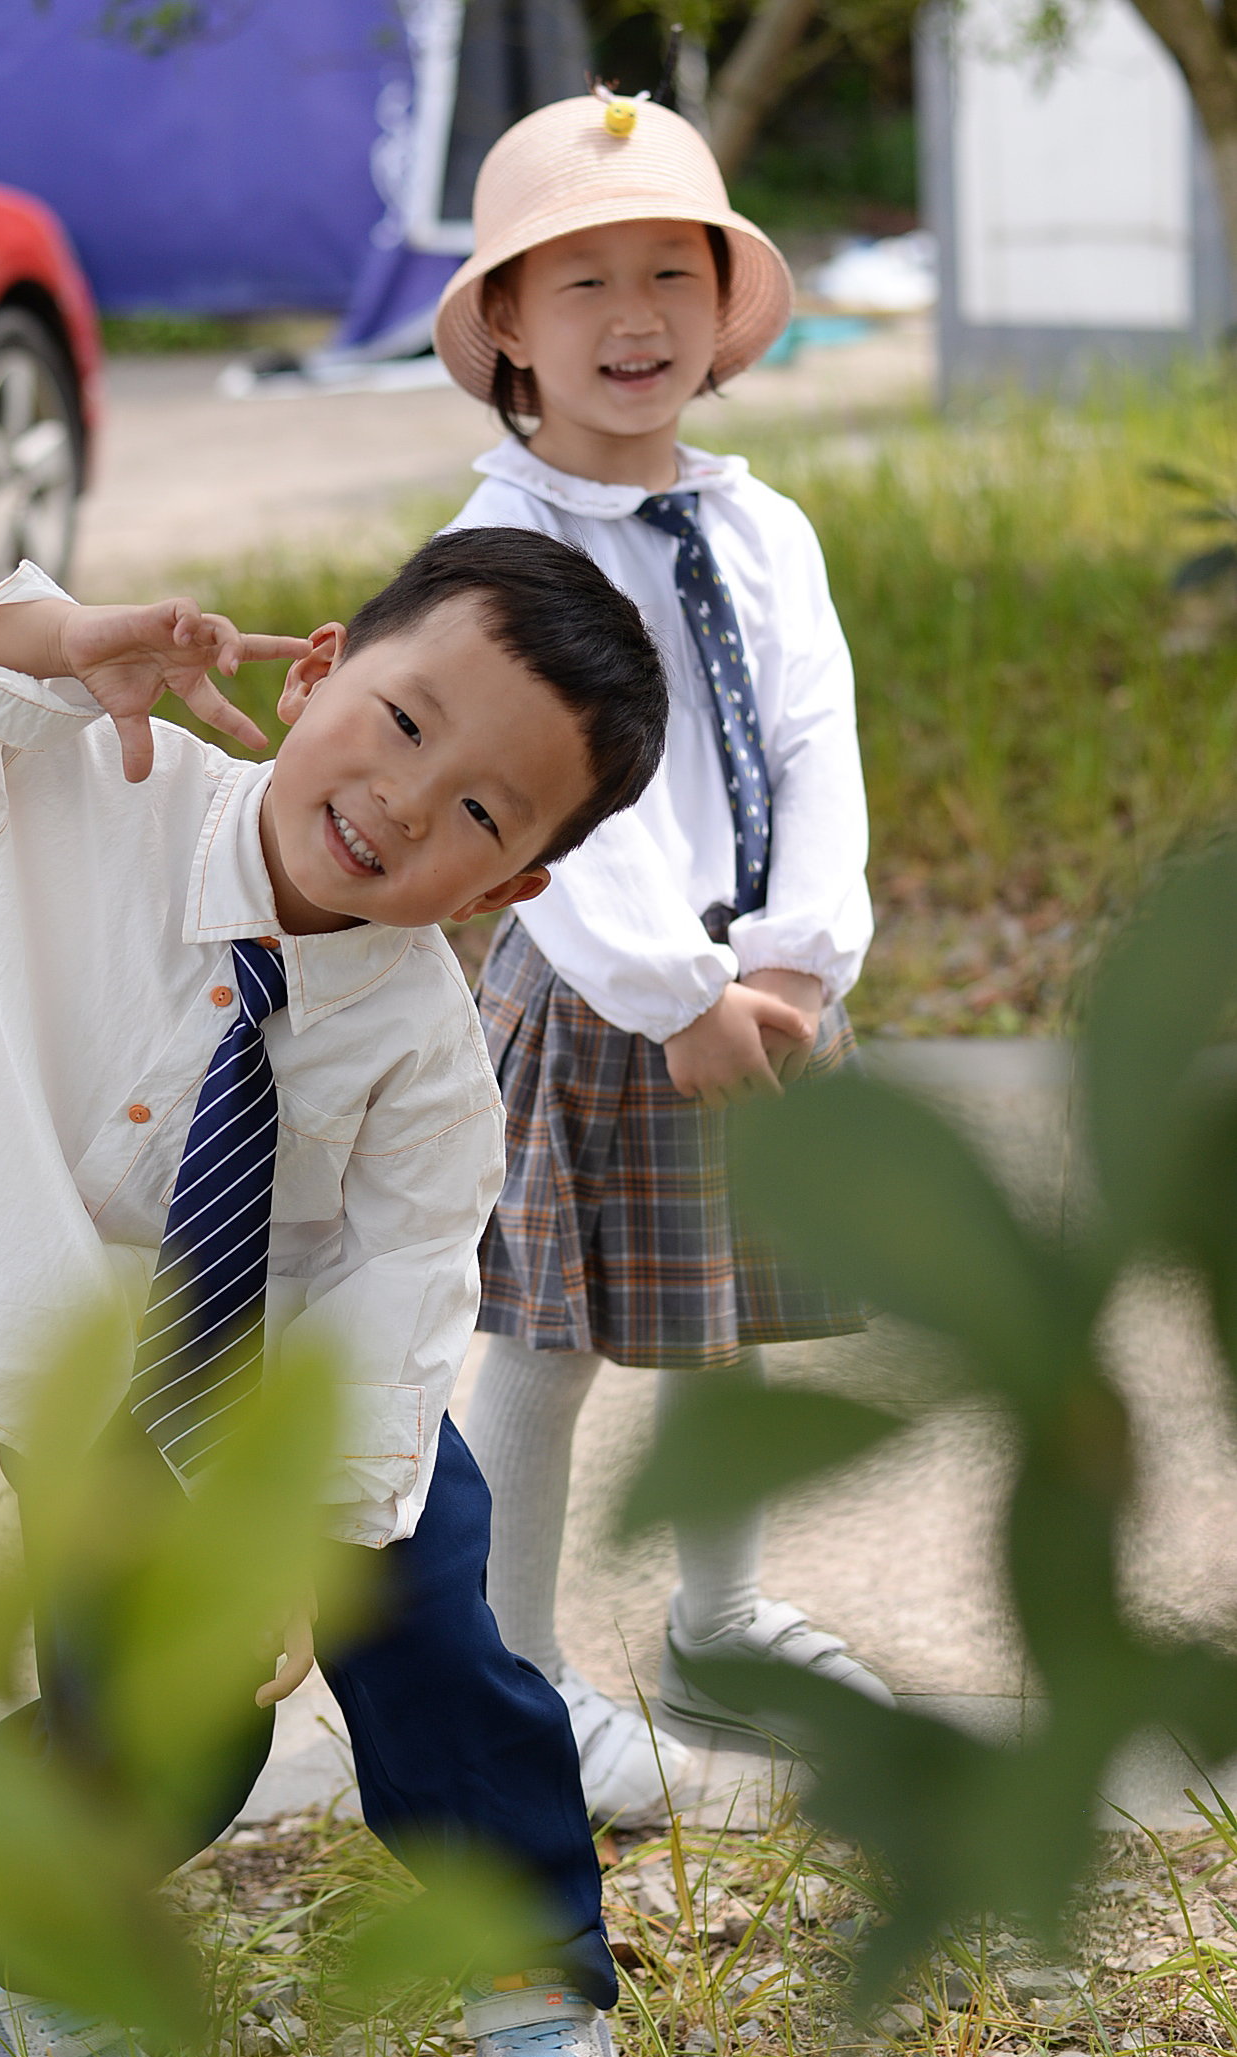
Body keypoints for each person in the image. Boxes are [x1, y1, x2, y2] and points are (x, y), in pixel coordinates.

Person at [0, 526, 668, 2057]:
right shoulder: (82, 785)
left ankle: (533, 1980)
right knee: (160, 1713)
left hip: (312, 1393)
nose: (409, 804)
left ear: (511, 889)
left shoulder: (423, 1047)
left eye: (483, 813)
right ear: (322, 665)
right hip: (89, 1372)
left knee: (439, 1641)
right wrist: (51, 644)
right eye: (407, 723)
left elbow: (402, 1285)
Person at [433, 91, 894, 1829]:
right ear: (508, 334)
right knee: (545, 1337)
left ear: (721, 308)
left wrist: (799, 960)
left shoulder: (765, 529)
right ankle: (518, 1680)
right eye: (582, 285)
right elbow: (538, 797)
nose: (634, 319)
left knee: (731, 1316)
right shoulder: (511, 546)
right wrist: (671, 987)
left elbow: (818, 735)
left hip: (762, 988)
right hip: (601, 984)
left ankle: (720, 1624)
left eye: (668, 275)